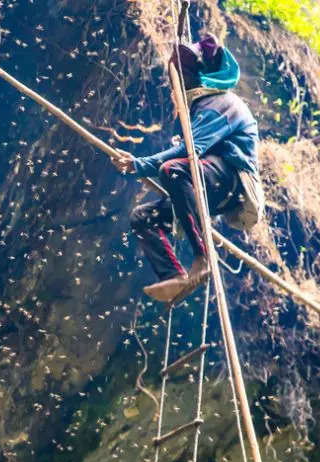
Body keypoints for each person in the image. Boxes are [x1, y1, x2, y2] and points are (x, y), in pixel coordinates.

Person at [112, 34, 265, 305]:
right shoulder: (197, 109)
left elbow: (188, 152)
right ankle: (174, 277)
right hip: (207, 184)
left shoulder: (222, 104)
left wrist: (139, 165)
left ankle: (203, 256)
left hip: (231, 183)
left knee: (173, 170)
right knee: (142, 217)